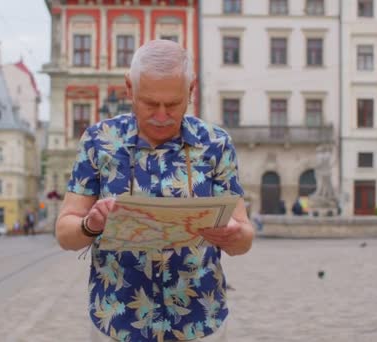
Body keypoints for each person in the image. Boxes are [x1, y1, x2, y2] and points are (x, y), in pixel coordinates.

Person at [56, 40, 255, 342]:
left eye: (173, 104)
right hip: (119, 321)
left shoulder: (216, 144)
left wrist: (233, 235)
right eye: (149, 103)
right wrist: (91, 224)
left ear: (191, 90)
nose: (161, 116)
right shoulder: (99, 140)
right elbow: (65, 232)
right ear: (129, 89)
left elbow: (244, 237)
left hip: (198, 321)